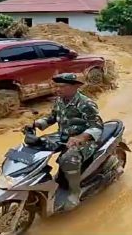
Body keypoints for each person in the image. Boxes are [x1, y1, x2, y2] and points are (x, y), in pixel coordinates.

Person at [33, 73, 103, 211]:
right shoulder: (60, 100)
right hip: (63, 136)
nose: (58, 89)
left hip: (85, 140)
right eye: (56, 86)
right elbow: (53, 117)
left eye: (62, 86)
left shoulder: (85, 104)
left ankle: (75, 192)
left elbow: (97, 126)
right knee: (35, 147)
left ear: (75, 86)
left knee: (68, 159)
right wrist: (37, 123)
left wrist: (80, 138)